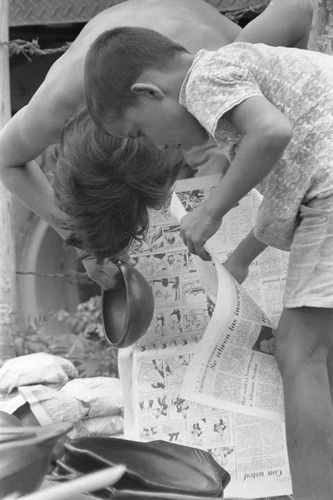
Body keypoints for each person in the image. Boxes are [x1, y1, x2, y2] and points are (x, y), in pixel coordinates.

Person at [83, 26, 333, 500]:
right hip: (322, 191)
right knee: (320, 352)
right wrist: (237, 261)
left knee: (299, 353)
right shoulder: (240, 85)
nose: (156, 146)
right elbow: (285, 188)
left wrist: (211, 208)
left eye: (139, 130)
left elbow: (272, 131)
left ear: (149, 92)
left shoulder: (206, 76)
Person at [0, 0, 313, 288]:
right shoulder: (55, 107)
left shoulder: (218, 66)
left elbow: (299, 13)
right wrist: (82, 242)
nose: (165, 145)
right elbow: (5, 158)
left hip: (195, 77)